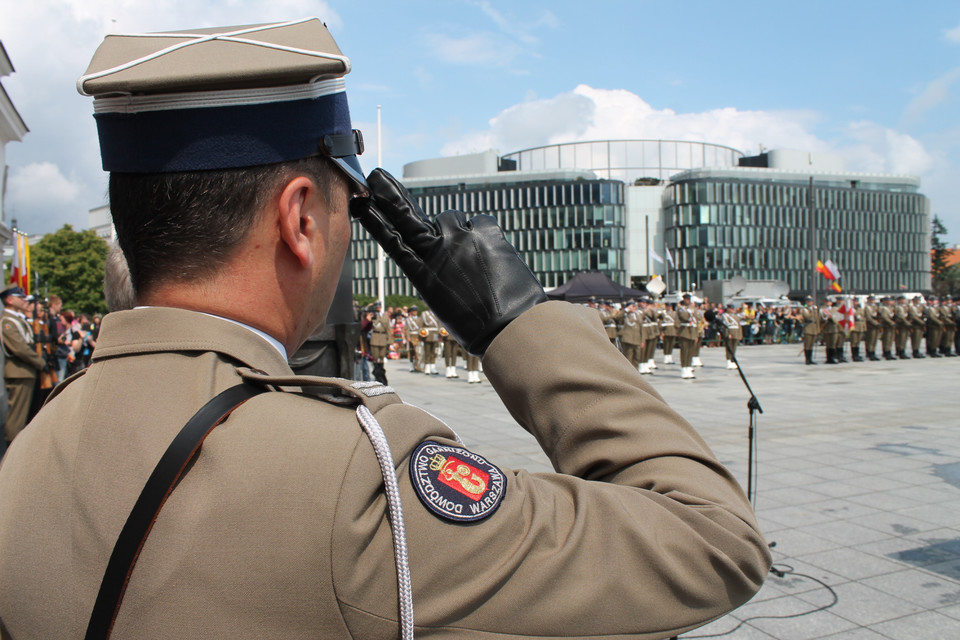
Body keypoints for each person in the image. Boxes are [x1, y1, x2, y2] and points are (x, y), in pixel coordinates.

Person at [0, 19, 769, 640]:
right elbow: (713, 544)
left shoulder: (34, 446)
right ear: (301, 218)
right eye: (344, 197)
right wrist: (518, 323)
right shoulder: (358, 475)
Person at [0, 287, 46, 453]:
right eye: (19, 297)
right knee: (16, 418)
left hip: (25, 372)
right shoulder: (7, 321)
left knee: (25, 414)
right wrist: (40, 362)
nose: (24, 300)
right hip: (19, 372)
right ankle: (12, 453)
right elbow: (19, 348)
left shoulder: (16, 319)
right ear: (9, 300)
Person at [719, 303, 743, 369]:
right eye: (731, 308)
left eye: (733, 309)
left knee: (734, 347)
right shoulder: (725, 316)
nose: (732, 310)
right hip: (730, 332)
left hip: (736, 332)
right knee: (729, 347)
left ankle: (732, 360)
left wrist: (740, 334)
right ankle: (728, 360)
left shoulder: (736, 316)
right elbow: (725, 326)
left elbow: (739, 326)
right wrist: (727, 334)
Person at [800, 296, 821, 365]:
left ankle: (811, 359)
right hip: (808, 328)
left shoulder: (814, 309)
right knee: (807, 345)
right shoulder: (804, 309)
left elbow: (817, 320)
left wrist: (818, 329)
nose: (810, 303)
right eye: (808, 301)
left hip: (814, 328)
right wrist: (812, 311)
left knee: (811, 345)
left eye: (811, 301)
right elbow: (807, 317)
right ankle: (807, 359)